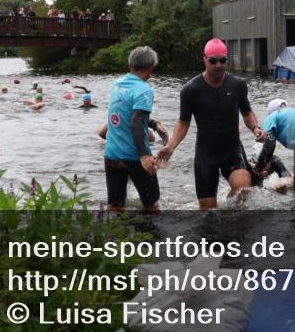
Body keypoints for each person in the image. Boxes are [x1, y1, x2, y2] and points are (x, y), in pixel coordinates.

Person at [156, 38, 264, 210]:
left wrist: (255, 128)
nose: (219, 65)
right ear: (204, 59)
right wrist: (170, 147)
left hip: (232, 150)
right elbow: (183, 122)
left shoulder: (237, 85)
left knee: (243, 190)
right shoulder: (191, 90)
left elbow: (247, 112)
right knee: (208, 212)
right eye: (213, 61)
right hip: (206, 155)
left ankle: (229, 215)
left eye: (223, 60)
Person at [103, 46, 169, 212]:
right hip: (135, 157)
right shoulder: (143, 90)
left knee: (115, 205)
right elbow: (135, 122)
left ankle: (115, 237)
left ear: (129, 64)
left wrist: (153, 124)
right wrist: (145, 156)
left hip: (111, 156)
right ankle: (151, 238)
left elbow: (127, 115)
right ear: (152, 66)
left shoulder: (117, 84)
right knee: (152, 204)